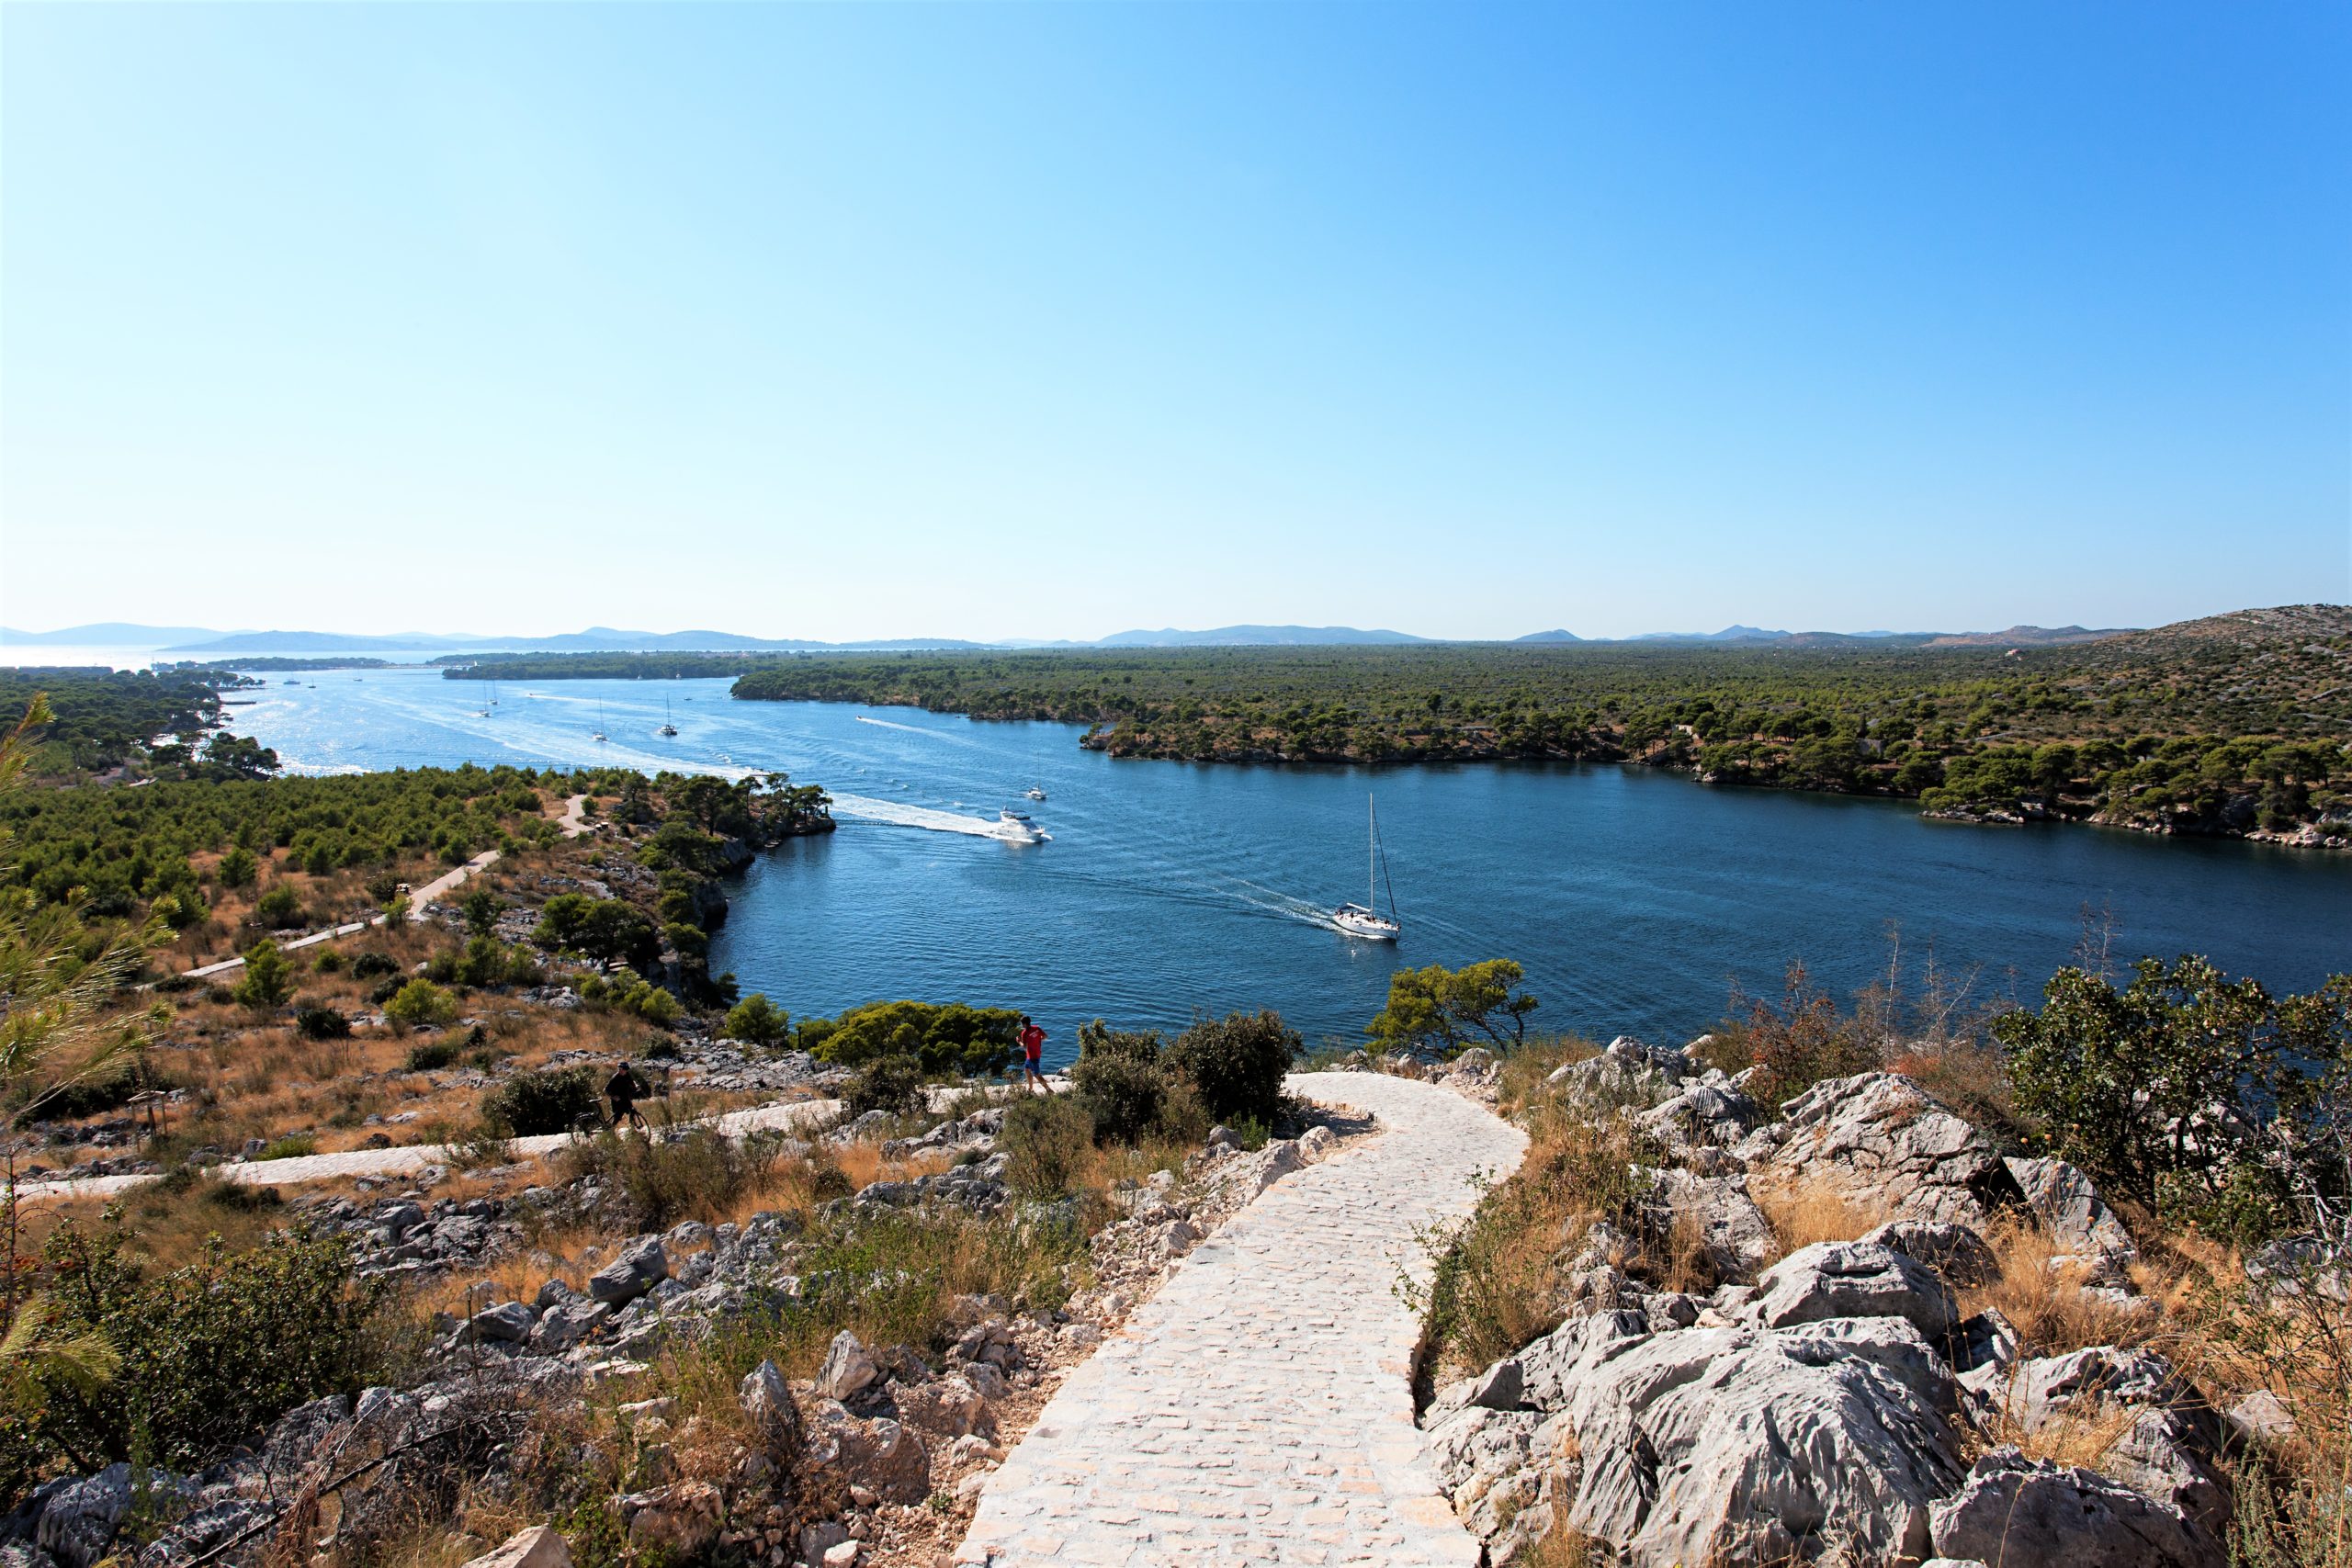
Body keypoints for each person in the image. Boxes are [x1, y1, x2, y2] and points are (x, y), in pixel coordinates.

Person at [605, 1060, 651, 1132]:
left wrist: (635, 1085)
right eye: (624, 1070)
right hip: (617, 1100)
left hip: (625, 1097)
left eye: (626, 1070)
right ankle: (610, 1130)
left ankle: (632, 1128)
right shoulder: (615, 1078)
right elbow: (606, 1090)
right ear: (620, 1069)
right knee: (618, 1115)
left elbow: (632, 1081)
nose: (625, 1071)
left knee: (632, 1111)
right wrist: (614, 1097)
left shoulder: (627, 1075)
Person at [1018, 1015, 1047, 1093]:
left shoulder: (1024, 1033)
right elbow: (1045, 1036)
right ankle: (1030, 1089)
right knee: (1027, 1070)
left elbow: (1024, 1046)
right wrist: (1037, 1039)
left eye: (1021, 1024)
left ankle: (1049, 1090)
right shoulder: (1037, 1028)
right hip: (1036, 1053)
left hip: (1032, 1056)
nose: (1021, 1025)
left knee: (1037, 1075)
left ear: (1024, 1024)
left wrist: (1018, 1041)